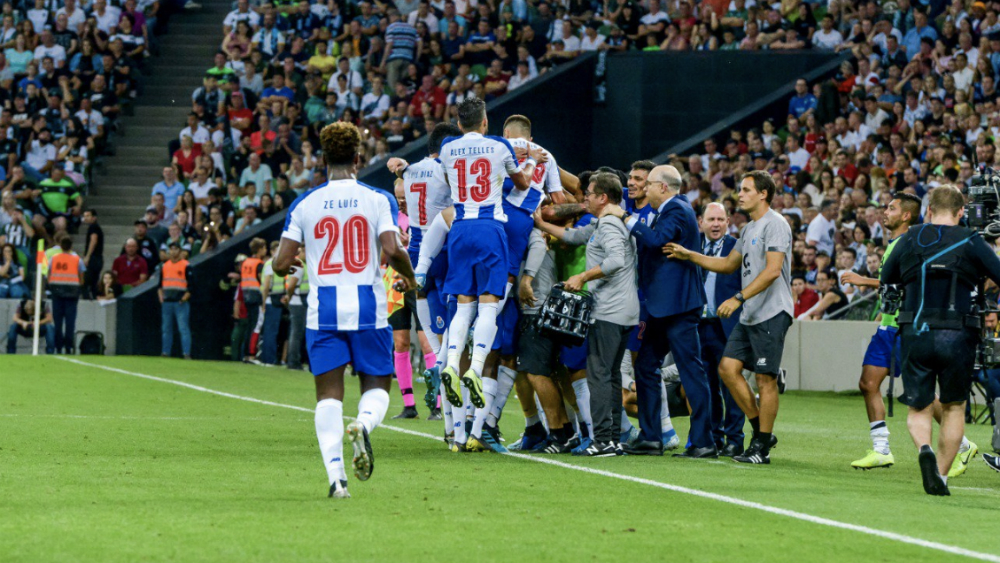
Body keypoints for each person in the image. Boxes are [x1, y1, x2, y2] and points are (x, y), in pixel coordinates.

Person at [272, 121, 416, 499]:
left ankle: (337, 478)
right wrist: (412, 279)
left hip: (324, 311)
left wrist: (296, 259)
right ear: (357, 158)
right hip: (369, 308)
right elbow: (392, 249)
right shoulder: (377, 198)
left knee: (329, 396)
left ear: (322, 159)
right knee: (377, 387)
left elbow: (280, 261)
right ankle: (364, 426)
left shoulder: (305, 203)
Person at [840, 192, 978, 472]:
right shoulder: (896, 243)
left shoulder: (910, 242)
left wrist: (862, 281)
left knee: (919, 393)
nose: (884, 212)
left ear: (906, 215)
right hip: (889, 325)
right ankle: (882, 448)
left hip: (903, 327)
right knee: (869, 383)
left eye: (891, 208)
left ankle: (961, 444)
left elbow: (900, 281)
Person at [666, 170, 794, 465]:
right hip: (751, 314)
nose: (741, 194)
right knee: (727, 369)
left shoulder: (775, 225)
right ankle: (761, 432)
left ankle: (760, 444)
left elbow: (773, 270)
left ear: (763, 194)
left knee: (765, 378)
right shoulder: (749, 228)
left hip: (772, 312)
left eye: (747, 189)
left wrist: (738, 297)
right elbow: (726, 264)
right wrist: (690, 255)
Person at [880, 185, 1000, 496]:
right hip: (958, 334)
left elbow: (887, 276)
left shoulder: (910, 236)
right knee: (954, 407)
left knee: (919, 408)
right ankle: (942, 477)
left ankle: (925, 449)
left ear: (929, 210)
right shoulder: (971, 240)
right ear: (962, 212)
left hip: (915, 331)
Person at [435, 97, 541, 413]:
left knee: (463, 303)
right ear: (485, 123)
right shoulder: (498, 146)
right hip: (489, 228)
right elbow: (522, 182)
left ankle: (452, 363)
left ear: (458, 124)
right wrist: (532, 159)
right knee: (489, 304)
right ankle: (475, 368)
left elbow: (447, 181)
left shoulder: (447, 148)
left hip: (460, 228)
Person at [607, 164, 713, 458]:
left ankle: (703, 441)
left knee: (691, 371)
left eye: (650, 183)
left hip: (678, 306)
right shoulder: (669, 211)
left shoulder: (677, 209)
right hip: (662, 307)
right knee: (645, 366)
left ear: (663, 187)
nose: (645, 188)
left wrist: (626, 217)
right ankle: (651, 437)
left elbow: (654, 241)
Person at [537, 172, 639, 456]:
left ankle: (603, 439)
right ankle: (614, 438)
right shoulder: (608, 222)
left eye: (590, 194)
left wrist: (582, 275)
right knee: (612, 376)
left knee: (598, 375)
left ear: (603, 197)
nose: (586, 198)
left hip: (610, 310)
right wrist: (542, 224)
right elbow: (575, 235)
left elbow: (616, 260)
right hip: (624, 309)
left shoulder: (607, 224)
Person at [386, 122, 462, 429]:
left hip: (413, 255)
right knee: (451, 325)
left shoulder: (412, 169)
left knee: (428, 328)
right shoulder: (446, 170)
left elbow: (401, 168)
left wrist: (400, 165)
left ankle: (439, 382)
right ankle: (449, 387)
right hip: (440, 249)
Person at [697, 202, 746, 456]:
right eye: (711, 219)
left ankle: (735, 439)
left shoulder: (737, 247)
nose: (716, 224)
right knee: (705, 385)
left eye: (720, 219)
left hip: (727, 326)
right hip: (697, 324)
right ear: (701, 222)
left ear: (728, 222)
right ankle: (713, 437)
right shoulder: (692, 246)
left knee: (730, 382)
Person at [47, 235, 85, 354]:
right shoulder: (77, 259)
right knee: (70, 322)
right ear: (71, 246)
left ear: (60, 246)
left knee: (57, 322)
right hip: (72, 293)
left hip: (57, 292)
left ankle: (58, 347)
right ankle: (68, 347)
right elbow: (82, 278)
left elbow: (48, 274)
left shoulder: (54, 258)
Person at [158, 242, 191, 359]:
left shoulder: (186, 265)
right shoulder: (165, 266)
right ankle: (165, 352)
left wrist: (184, 298)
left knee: (183, 328)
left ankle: (186, 353)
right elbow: (160, 285)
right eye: (171, 249)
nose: (173, 252)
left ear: (180, 251)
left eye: (175, 249)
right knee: (166, 329)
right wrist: (161, 297)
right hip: (167, 301)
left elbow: (192, 286)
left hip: (179, 301)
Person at [239, 237, 266, 362]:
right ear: (260, 249)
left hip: (246, 295)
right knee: (256, 325)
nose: (265, 250)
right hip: (256, 296)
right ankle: (251, 354)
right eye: (264, 248)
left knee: (249, 325)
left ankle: (245, 354)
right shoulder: (259, 264)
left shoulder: (245, 262)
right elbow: (263, 282)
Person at [259, 240, 285, 365]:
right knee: (271, 331)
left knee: (271, 330)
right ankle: (269, 358)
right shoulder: (271, 264)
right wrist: (264, 303)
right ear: (273, 251)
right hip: (271, 300)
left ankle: (267, 357)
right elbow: (266, 285)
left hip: (273, 299)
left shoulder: (273, 263)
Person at [283, 246, 308, 371]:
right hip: (298, 301)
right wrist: (289, 296)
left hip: (299, 301)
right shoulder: (298, 264)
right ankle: (293, 362)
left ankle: (294, 360)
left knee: (296, 333)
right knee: (296, 333)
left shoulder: (299, 264)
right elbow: (291, 285)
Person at [81, 209, 104, 299]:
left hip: (93, 259)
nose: (85, 218)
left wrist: (87, 256)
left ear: (94, 217)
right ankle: (94, 299)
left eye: (88, 216)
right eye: (84, 216)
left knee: (85, 282)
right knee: (93, 283)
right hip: (98, 259)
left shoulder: (93, 227)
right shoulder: (96, 227)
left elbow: (93, 240)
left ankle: (87, 300)